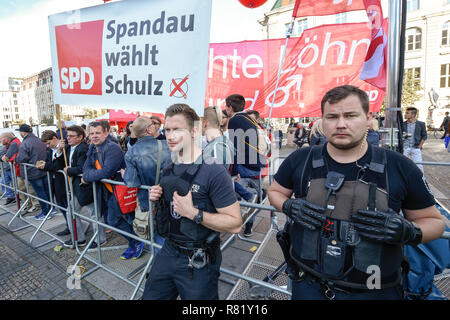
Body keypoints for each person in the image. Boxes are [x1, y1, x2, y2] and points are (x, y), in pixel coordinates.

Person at [268, 85, 445, 300]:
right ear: (322, 120)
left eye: (350, 116)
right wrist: (288, 206)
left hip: (375, 292)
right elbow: (275, 191)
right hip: (308, 284)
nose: (341, 124)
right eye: (332, 117)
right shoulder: (300, 160)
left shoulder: (400, 167)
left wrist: (408, 232)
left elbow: (434, 223)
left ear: (368, 118)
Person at [141, 104, 241, 300]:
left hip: (199, 260)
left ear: (194, 130)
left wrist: (194, 213)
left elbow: (236, 224)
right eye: (167, 130)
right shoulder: (170, 164)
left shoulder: (213, 170)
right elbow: (171, 206)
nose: (170, 136)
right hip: (169, 250)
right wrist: (157, 196)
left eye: (177, 129)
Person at [82, 121, 144, 260]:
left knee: (115, 220)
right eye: (91, 133)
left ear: (106, 132)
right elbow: (86, 169)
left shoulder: (112, 148)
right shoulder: (93, 147)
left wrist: (88, 177)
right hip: (108, 190)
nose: (94, 136)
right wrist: (88, 175)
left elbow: (106, 171)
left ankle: (137, 241)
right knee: (119, 219)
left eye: (98, 133)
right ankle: (135, 241)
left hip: (121, 189)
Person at [122, 116, 170, 254]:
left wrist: (124, 174)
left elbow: (131, 183)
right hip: (168, 196)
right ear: (149, 130)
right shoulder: (166, 145)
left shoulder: (131, 152)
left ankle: (159, 268)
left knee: (156, 235)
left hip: (147, 200)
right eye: (152, 124)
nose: (156, 126)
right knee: (167, 232)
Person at [226, 94, 265, 237]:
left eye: (226, 107)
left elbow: (233, 147)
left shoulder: (234, 120)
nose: (226, 110)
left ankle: (233, 226)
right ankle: (248, 227)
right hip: (257, 165)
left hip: (244, 166)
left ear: (230, 107)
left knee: (237, 196)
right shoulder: (250, 119)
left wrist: (233, 171)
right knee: (251, 201)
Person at [14, 124, 51, 221]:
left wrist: (16, 159)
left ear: (23, 132)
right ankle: (51, 209)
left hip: (33, 171)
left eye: (20, 132)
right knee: (47, 191)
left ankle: (46, 212)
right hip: (43, 169)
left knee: (40, 193)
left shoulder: (25, 143)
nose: (20, 133)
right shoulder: (39, 139)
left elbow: (22, 158)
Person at [37, 130, 70, 234]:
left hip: (64, 183)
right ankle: (69, 226)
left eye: (48, 143)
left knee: (68, 208)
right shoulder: (50, 150)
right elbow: (51, 164)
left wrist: (46, 166)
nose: (47, 146)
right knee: (62, 207)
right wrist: (44, 165)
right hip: (55, 182)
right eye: (45, 144)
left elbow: (57, 166)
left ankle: (73, 228)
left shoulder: (65, 148)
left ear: (55, 138)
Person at [403, 107, 427, 173]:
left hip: (416, 147)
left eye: (407, 113)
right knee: (402, 164)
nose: (405, 114)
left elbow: (424, 136)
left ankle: (422, 180)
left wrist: (419, 146)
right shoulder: (402, 124)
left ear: (413, 115)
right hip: (405, 148)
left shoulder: (421, 124)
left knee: (419, 166)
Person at [0, 132, 20, 205]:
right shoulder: (8, 145)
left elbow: (6, 157)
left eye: (1, 139)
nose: (0, 141)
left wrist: (5, 157)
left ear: (6, 139)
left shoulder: (14, 143)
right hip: (8, 167)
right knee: (4, 182)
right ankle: (11, 197)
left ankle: (18, 200)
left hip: (13, 167)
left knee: (18, 185)